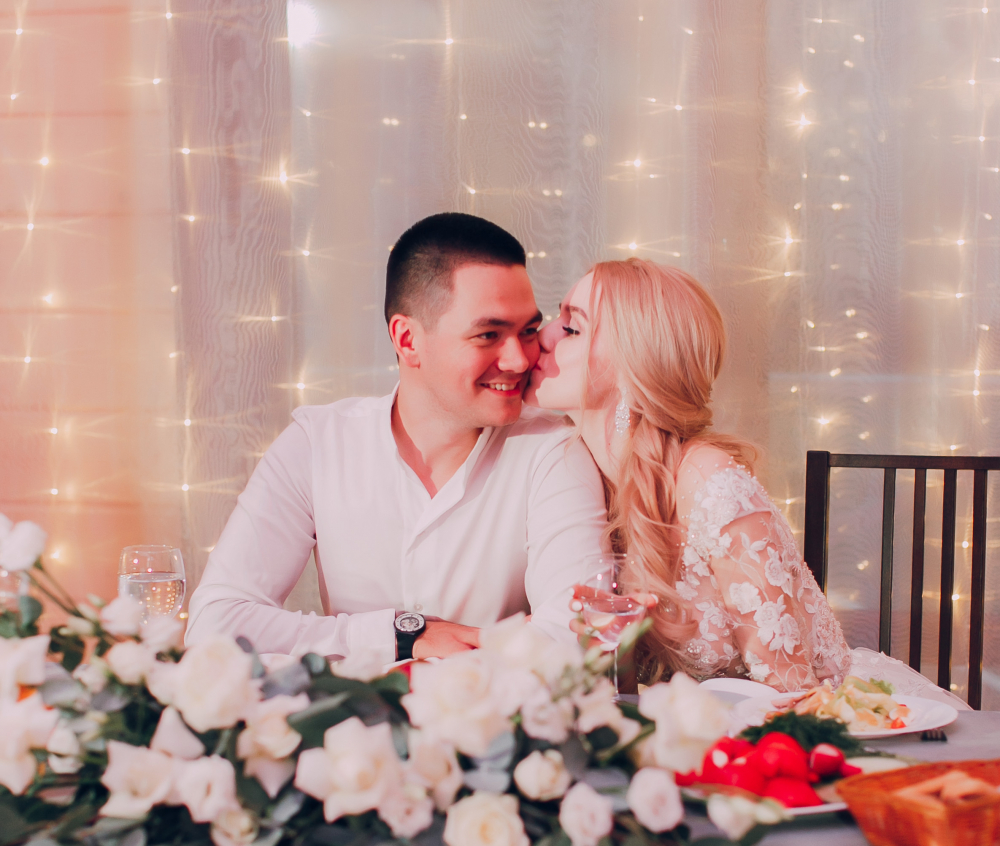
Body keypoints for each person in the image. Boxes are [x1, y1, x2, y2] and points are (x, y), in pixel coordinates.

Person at [526, 256, 963, 704]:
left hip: (831, 721)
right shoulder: (571, 476)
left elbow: (793, 693)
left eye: (572, 328)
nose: (541, 336)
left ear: (634, 363)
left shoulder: (710, 485)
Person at [185, 213, 607, 664]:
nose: (520, 360)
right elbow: (215, 622)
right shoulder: (316, 444)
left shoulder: (552, 450)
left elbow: (577, 639)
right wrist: (402, 634)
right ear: (407, 340)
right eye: (488, 335)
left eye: (527, 331)